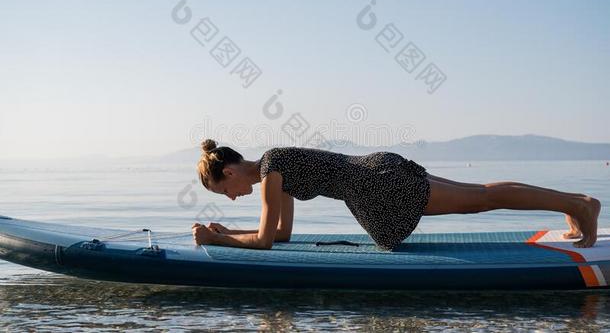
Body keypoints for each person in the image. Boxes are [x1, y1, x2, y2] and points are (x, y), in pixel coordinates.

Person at [192, 139, 600, 251]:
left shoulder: (271, 170)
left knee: (482, 198)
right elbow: (279, 235)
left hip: (380, 186)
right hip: (378, 172)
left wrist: (217, 238)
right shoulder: (272, 167)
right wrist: (232, 230)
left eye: (223, 190)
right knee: (482, 194)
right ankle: (574, 202)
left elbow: (263, 242)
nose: (229, 197)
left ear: (229, 171)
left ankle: (577, 205)